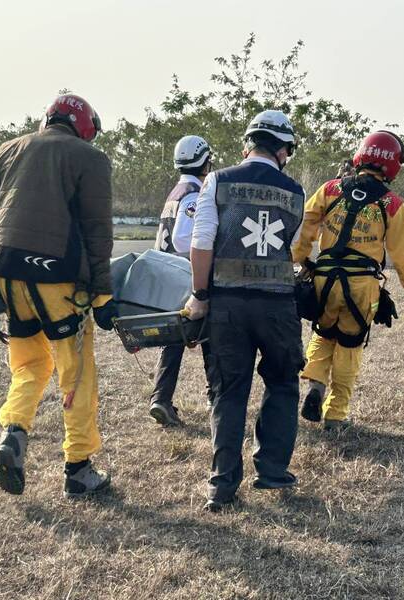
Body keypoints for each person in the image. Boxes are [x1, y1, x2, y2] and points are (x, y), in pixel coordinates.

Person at [0, 93, 117, 499]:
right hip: (59, 279)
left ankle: (13, 431)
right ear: (85, 127)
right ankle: (78, 467)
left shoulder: (8, 149)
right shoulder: (90, 159)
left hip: (8, 273)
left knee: (29, 364)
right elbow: (98, 231)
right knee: (76, 373)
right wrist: (102, 293)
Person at [185, 110, 306, 512]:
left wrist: (199, 295)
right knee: (283, 383)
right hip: (277, 308)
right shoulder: (295, 192)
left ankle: (221, 485)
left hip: (226, 306)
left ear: (248, 145)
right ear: (284, 149)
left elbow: (201, 244)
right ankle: (271, 470)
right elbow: (293, 247)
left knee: (228, 391)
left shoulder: (216, 181)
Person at [292, 130, 404, 431]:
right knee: (350, 346)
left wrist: (301, 258)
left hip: (324, 280)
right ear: (393, 165)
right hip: (361, 286)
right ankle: (336, 414)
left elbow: (305, 223)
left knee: (323, 332)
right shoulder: (391, 204)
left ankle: (314, 385)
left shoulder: (330, 188)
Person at [149, 135, 215, 426]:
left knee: (173, 340)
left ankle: (161, 398)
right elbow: (182, 237)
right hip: (185, 275)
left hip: (167, 274)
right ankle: (218, 397)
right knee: (212, 335)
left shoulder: (176, 190)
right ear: (204, 160)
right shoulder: (193, 192)